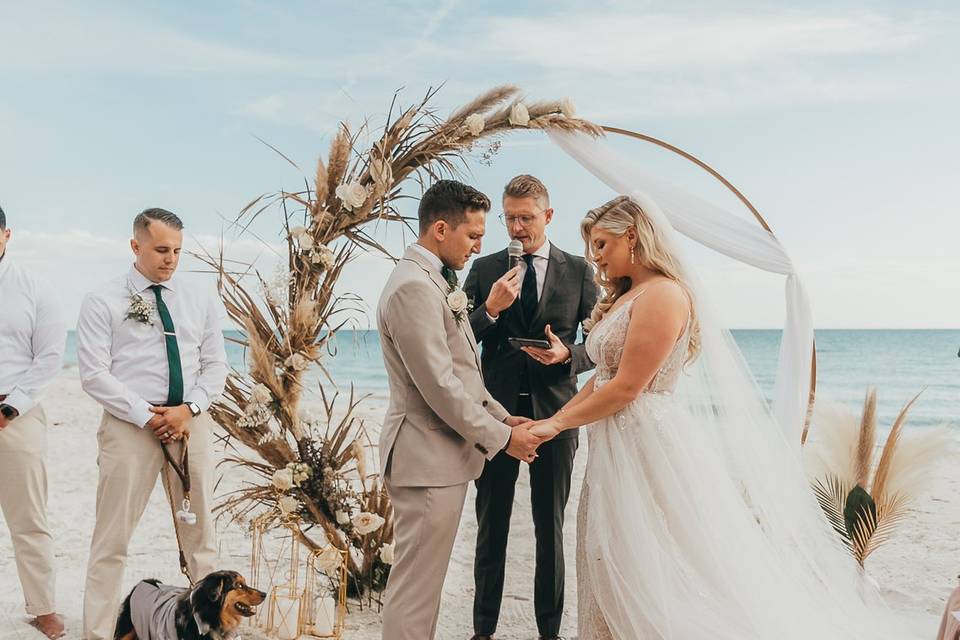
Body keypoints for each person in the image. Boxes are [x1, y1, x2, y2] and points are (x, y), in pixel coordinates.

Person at [528, 195, 918, 639]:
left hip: (645, 448)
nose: (594, 256)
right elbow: (602, 380)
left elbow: (628, 387)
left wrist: (556, 425)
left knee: (648, 562)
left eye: (601, 243)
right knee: (605, 555)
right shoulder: (627, 295)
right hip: (612, 448)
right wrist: (552, 419)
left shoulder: (665, 295)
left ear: (632, 236)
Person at [376, 180, 544, 640]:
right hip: (426, 459)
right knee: (413, 594)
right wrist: (504, 440)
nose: (480, 245)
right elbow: (439, 388)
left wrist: (503, 416)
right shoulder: (413, 287)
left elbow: (463, 372)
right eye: (473, 235)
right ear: (441, 229)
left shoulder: (432, 281)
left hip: (439, 460)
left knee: (423, 590)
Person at [77, 208, 228, 640]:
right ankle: (98, 633)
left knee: (201, 534)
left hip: (190, 423)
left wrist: (189, 409)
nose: (171, 259)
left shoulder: (199, 298)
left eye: (178, 250)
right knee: (112, 537)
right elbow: (93, 373)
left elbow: (216, 365)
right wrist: (147, 415)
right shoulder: (102, 299)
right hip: (130, 427)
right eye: (161, 249)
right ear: (135, 246)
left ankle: (209, 630)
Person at [462, 175, 597, 640]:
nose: (517, 228)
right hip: (494, 420)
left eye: (527, 218)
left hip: (556, 417)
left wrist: (569, 355)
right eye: (510, 218)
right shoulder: (484, 269)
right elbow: (457, 341)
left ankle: (549, 632)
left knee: (550, 530)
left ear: (548, 216)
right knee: (490, 528)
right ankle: (483, 631)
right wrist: (492, 310)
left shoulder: (579, 270)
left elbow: (601, 343)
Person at [0, 205, 67, 639]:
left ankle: (43, 608)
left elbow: (50, 357)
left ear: (6, 235)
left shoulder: (34, 288)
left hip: (15, 415)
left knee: (29, 519)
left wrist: (10, 408)